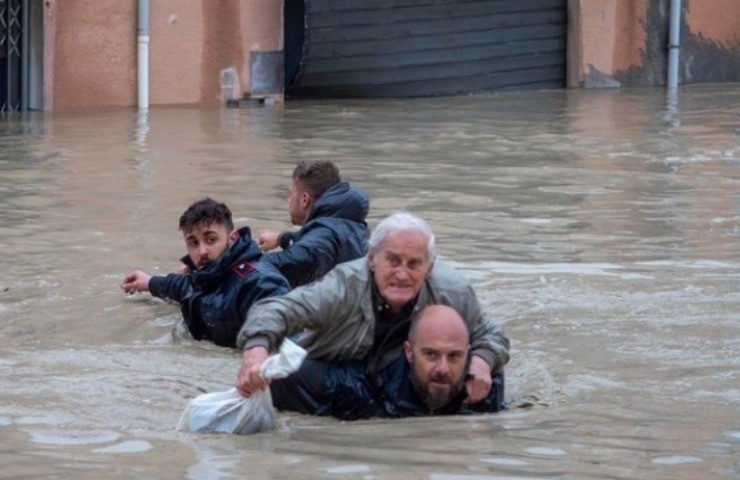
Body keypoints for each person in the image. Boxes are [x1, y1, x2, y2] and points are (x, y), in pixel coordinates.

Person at [235, 211, 510, 406]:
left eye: (413, 264)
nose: (402, 274)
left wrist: (482, 361)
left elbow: (491, 335)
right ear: (372, 260)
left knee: (491, 382)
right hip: (339, 369)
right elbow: (274, 310)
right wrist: (255, 354)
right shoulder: (341, 288)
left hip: (400, 372)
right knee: (284, 378)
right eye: (393, 261)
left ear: (429, 268)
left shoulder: (453, 292)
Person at [268, 305, 505, 420]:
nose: (443, 368)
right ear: (409, 352)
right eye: (431, 355)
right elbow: (281, 373)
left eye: (454, 356)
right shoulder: (356, 388)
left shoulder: (483, 389)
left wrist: (484, 361)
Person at [120, 198, 290, 348]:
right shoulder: (204, 276)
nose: (202, 251)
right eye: (193, 243)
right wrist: (149, 282)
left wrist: (257, 348)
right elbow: (181, 286)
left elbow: (280, 314)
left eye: (211, 240)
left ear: (232, 239)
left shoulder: (256, 281)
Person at [257, 160, 369, 288]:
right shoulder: (348, 223)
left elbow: (306, 256)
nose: (288, 200)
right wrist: (281, 238)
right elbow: (317, 240)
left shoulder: (325, 236)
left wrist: (241, 260)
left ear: (305, 199)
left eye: (290, 194)